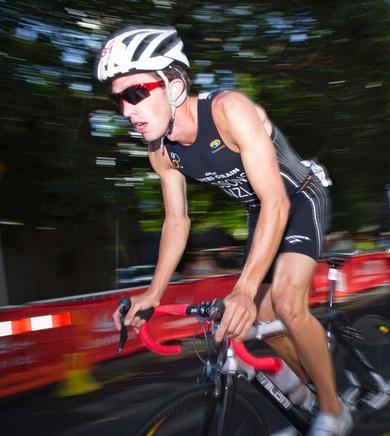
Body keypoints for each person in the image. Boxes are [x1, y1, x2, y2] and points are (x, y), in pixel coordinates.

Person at [98, 26, 351, 435]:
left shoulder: (229, 110)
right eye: (118, 101)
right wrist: (153, 292)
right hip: (259, 209)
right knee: (254, 321)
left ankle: (334, 409)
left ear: (174, 85)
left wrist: (246, 288)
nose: (127, 110)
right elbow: (177, 221)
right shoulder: (160, 152)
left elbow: (278, 202)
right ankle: (309, 378)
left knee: (284, 303)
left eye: (136, 94)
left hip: (299, 196)